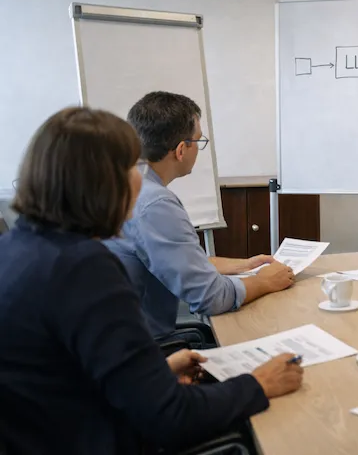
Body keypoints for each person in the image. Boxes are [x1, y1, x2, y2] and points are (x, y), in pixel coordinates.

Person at [0, 107, 303, 454]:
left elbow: (59, 374)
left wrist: (152, 371)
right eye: (133, 166)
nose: (140, 178)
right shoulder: (83, 269)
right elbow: (170, 417)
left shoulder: (16, 248)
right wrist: (258, 384)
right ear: (103, 182)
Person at [105, 91, 294, 342]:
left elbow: (167, 259)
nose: (199, 147)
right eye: (199, 141)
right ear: (182, 149)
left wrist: (242, 266)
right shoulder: (155, 203)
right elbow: (210, 297)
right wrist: (263, 282)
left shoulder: (125, 183)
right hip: (141, 350)